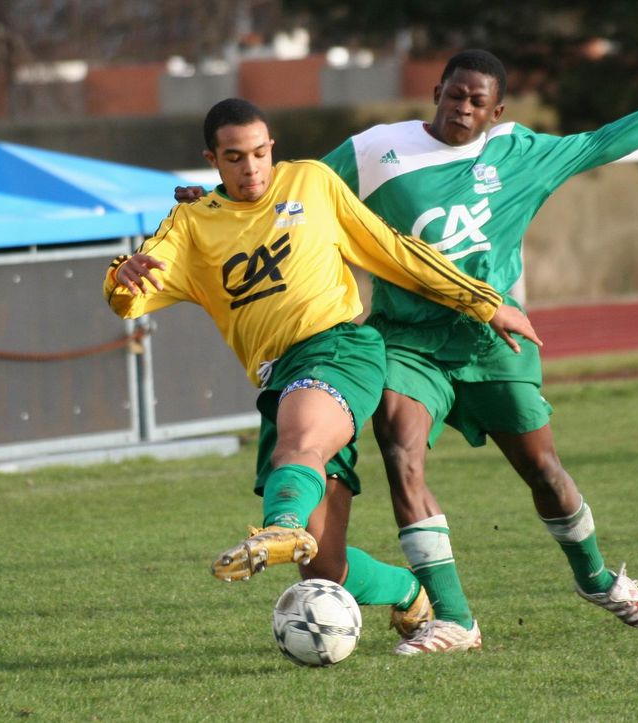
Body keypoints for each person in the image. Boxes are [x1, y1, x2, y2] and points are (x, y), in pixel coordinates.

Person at [178, 53, 638, 654]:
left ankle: (599, 579)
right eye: (454, 96)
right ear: (435, 92)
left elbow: (605, 141)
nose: (462, 109)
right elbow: (288, 197)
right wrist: (218, 199)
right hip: (406, 341)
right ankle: (454, 619)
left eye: (477, 102)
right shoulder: (376, 150)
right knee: (402, 452)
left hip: (491, 340)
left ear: (496, 111)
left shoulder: (520, 154)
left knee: (544, 473)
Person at [106, 97, 541, 646]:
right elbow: (131, 296)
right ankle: (412, 594)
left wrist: (484, 301)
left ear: (272, 148)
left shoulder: (312, 182)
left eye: (260, 153)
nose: (252, 168)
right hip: (278, 379)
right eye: (235, 158)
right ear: (212, 160)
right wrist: (121, 277)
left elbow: (395, 251)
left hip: (339, 350)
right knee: (324, 569)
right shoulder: (191, 224)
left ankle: (289, 530)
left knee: (299, 445)